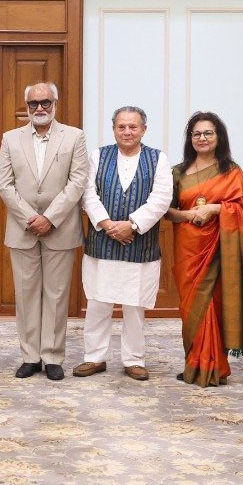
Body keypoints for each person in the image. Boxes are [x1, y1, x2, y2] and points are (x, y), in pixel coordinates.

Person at [0, 82, 91, 380]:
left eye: (45, 102)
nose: (40, 108)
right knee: (25, 295)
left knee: (57, 294)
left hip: (60, 228)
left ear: (55, 104)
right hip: (22, 228)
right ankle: (30, 356)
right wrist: (30, 217)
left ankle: (52, 356)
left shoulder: (74, 137)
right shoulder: (10, 139)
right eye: (34, 103)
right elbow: (4, 185)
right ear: (26, 107)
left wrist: (49, 218)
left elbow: (77, 182)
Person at [75, 105, 172, 380]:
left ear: (143, 129)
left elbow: (161, 197)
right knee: (97, 303)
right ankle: (94, 358)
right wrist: (107, 225)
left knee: (135, 306)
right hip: (101, 243)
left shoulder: (157, 159)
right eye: (121, 126)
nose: (127, 131)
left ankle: (134, 360)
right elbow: (87, 193)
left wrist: (132, 225)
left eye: (133, 126)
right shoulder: (98, 155)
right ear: (114, 128)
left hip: (140, 245)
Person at [166, 111, 243, 386]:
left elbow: (242, 210)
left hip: (219, 249)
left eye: (208, 133)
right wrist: (187, 216)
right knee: (191, 307)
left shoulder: (231, 172)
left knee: (212, 306)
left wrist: (215, 208)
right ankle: (193, 361)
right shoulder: (178, 172)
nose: (202, 138)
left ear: (219, 137)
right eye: (196, 134)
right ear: (190, 139)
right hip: (187, 248)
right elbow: (166, 210)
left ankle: (213, 366)